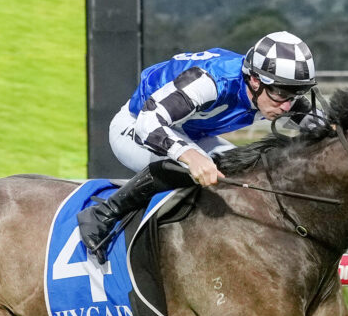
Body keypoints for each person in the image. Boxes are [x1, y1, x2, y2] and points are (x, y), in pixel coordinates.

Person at [78, 30, 318, 264]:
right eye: (280, 94)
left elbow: (322, 124)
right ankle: (103, 214)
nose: (287, 107)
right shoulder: (211, 82)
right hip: (136, 126)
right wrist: (190, 156)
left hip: (189, 131)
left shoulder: (274, 91)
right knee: (185, 166)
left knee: (245, 170)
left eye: (295, 95)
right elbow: (148, 124)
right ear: (255, 80)